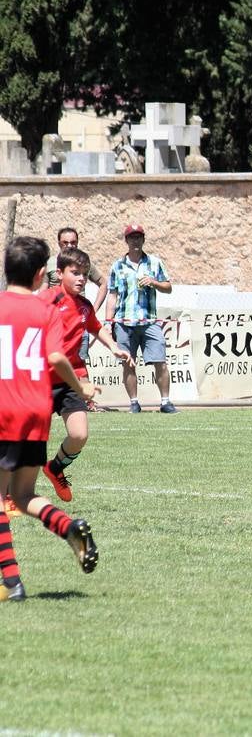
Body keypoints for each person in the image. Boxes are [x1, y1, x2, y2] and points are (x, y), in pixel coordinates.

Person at [0, 236, 100, 601]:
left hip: (3, 408)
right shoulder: (46, 311)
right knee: (23, 494)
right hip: (35, 411)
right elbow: (57, 357)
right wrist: (83, 388)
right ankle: (70, 527)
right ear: (42, 274)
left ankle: (12, 583)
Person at [39, 247, 132, 503]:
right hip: (42, 379)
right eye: (75, 273)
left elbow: (96, 327)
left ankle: (55, 469)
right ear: (59, 273)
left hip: (72, 379)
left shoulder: (84, 306)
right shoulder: (46, 300)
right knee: (30, 438)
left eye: (84, 274)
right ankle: (10, 491)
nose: (81, 279)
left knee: (79, 435)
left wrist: (115, 347)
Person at [107, 224, 175, 413]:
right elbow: (112, 295)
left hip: (149, 321)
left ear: (143, 239)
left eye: (138, 237)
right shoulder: (117, 265)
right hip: (124, 322)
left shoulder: (154, 262)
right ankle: (134, 403)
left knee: (160, 360)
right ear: (126, 240)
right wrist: (108, 322)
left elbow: (168, 287)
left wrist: (154, 282)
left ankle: (165, 402)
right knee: (128, 363)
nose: (135, 241)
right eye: (131, 237)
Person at [46, 228, 109, 365]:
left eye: (73, 242)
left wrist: (93, 309)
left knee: (79, 365)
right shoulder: (50, 263)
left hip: (78, 319)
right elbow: (42, 290)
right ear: (59, 243)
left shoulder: (84, 264)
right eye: (65, 243)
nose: (69, 246)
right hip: (56, 320)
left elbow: (103, 284)